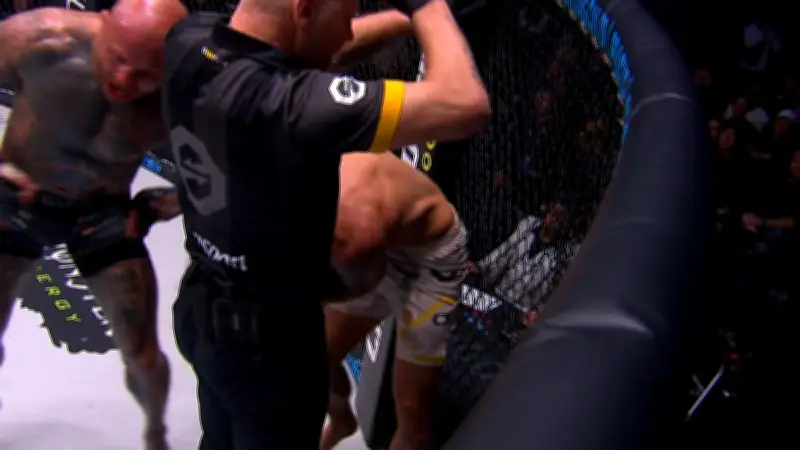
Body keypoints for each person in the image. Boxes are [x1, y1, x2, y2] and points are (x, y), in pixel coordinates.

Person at [162, 0, 489, 446]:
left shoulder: (188, 40)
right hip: (270, 347)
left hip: (205, 312)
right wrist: (426, 6)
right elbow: (465, 104)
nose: (346, 34)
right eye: (345, 16)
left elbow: (301, 44)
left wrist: (401, 21)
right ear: (305, 8)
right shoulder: (296, 113)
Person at [0, 2, 187, 448]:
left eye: (144, 74)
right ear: (103, 24)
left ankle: (156, 433)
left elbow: (229, 167)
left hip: (102, 214)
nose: (124, 80)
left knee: (142, 357)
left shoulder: (187, 93)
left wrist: (168, 203)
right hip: (17, 198)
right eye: (117, 58)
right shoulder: (41, 39)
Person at [322, 152, 467, 450]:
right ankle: (341, 420)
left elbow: (366, 279)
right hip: (378, 246)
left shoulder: (353, 231)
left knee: (412, 414)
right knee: (315, 358)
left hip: (430, 262)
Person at [465, 202, 578, 324]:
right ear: (548, 215)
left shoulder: (561, 255)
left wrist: (537, 311)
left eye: (561, 219)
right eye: (555, 215)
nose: (556, 222)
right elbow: (505, 249)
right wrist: (481, 266)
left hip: (521, 310)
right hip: (500, 291)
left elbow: (552, 290)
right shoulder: (529, 224)